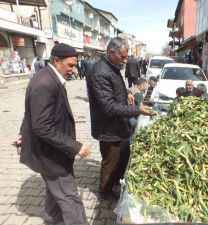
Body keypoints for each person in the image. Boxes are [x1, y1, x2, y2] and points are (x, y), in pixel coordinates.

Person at [12, 43, 91, 225]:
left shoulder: (49, 77)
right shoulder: (45, 83)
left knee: (55, 195)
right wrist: (76, 147)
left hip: (50, 152)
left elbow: (32, 114)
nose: (74, 70)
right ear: (56, 61)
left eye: (75, 65)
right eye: (70, 65)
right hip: (51, 156)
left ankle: (52, 221)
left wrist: (22, 133)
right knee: (71, 200)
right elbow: (42, 127)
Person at [86, 37, 154, 200]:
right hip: (108, 128)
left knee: (124, 155)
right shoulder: (100, 72)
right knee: (111, 161)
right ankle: (105, 190)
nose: (125, 60)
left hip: (119, 125)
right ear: (111, 53)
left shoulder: (113, 66)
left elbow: (117, 89)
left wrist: (127, 94)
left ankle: (117, 181)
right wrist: (137, 110)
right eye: (123, 57)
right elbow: (108, 107)